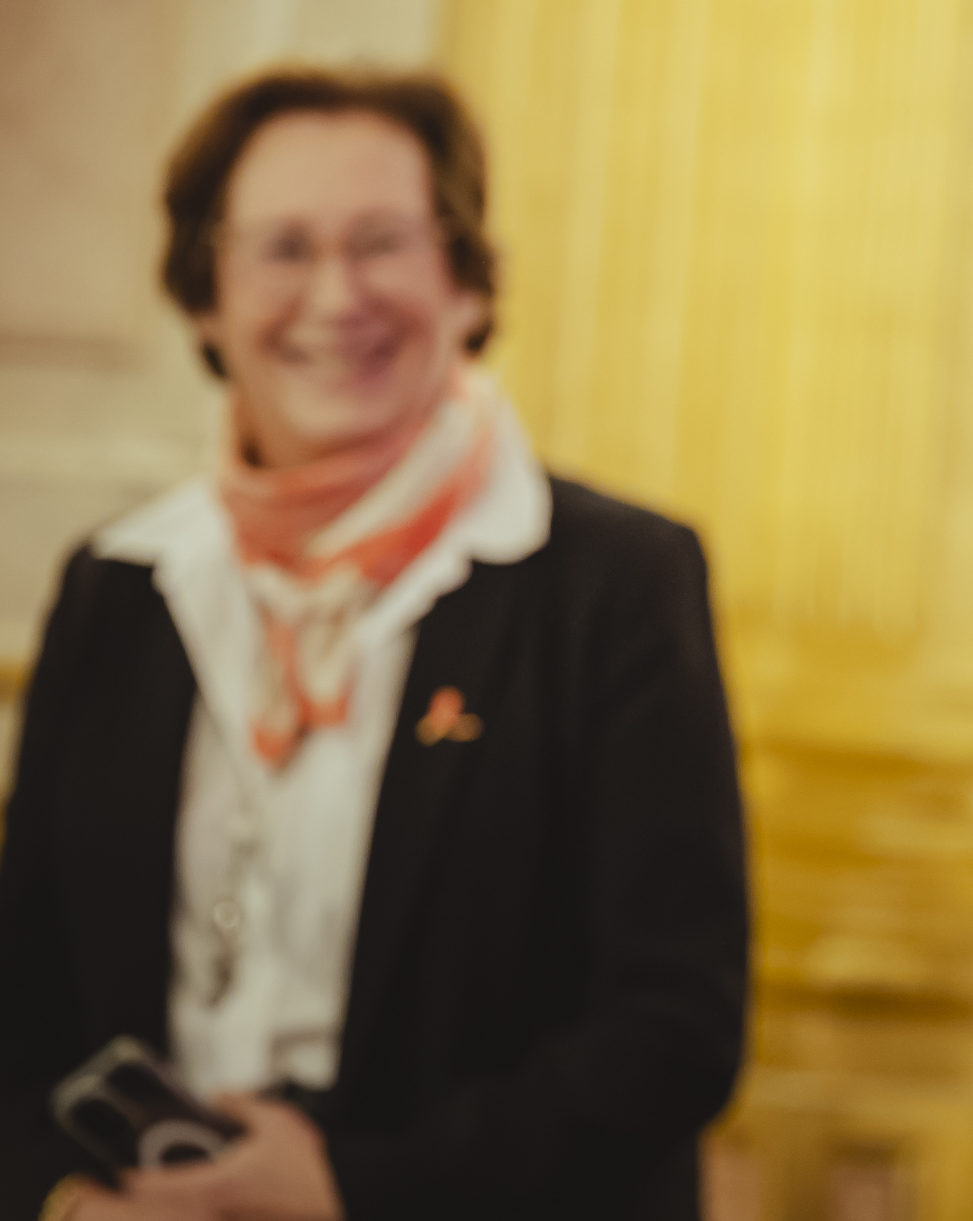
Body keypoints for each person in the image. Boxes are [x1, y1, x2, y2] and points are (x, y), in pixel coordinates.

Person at [0, 68, 749, 1221]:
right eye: (284, 248)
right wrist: (54, 1195)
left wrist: (345, 1188)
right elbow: (24, 982)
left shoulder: (615, 583)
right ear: (206, 297)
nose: (335, 294)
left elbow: (674, 1029)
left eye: (383, 242)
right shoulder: (120, 586)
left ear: (465, 283)